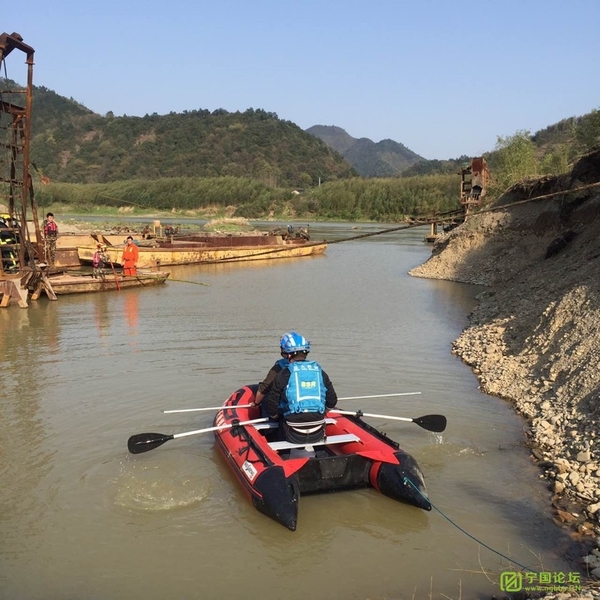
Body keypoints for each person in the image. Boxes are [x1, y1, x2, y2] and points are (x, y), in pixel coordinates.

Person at [267, 331, 338, 444]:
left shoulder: (284, 373)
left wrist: (275, 416)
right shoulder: (319, 371)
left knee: (278, 423)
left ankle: (282, 456)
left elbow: (272, 402)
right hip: (318, 429)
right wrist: (323, 412)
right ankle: (319, 451)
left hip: (292, 432)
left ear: (288, 355)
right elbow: (332, 400)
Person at [252, 333, 294, 418]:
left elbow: (264, 388)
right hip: (310, 408)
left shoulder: (279, 367)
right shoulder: (312, 367)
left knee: (266, 399)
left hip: (287, 408)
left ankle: (270, 426)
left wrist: (256, 403)